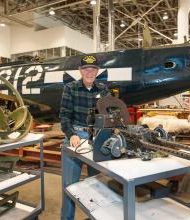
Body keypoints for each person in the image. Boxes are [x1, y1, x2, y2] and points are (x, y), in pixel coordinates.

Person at [60, 54, 110, 220]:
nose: (90, 72)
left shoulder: (103, 89)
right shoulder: (70, 88)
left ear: (97, 71)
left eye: (93, 69)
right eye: (86, 69)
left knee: (96, 184)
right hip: (75, 135)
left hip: (95, 137)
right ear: (80, 70)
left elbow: (109, 114)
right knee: (70, 186)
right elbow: (64, 116)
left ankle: (93, 217)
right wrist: (72, 135)